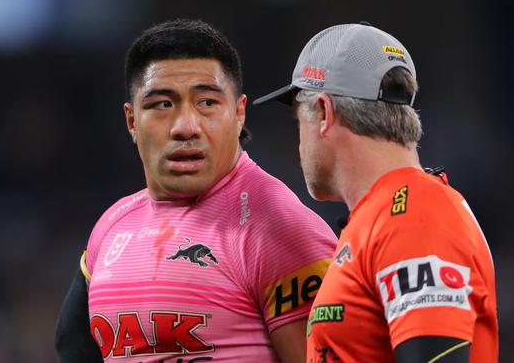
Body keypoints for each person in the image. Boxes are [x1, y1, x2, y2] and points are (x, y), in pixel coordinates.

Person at [55, 19, 337, 363]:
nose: (185, 127)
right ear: (131, 120)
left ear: (238, 112)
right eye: (162, 104)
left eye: (206, 103)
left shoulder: (278, 228)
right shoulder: (110, 230)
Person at [254, 22, 498, 362]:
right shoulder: (385, 216)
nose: (299, 143)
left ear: (324, 112)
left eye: (299, 122)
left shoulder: (414, 213)